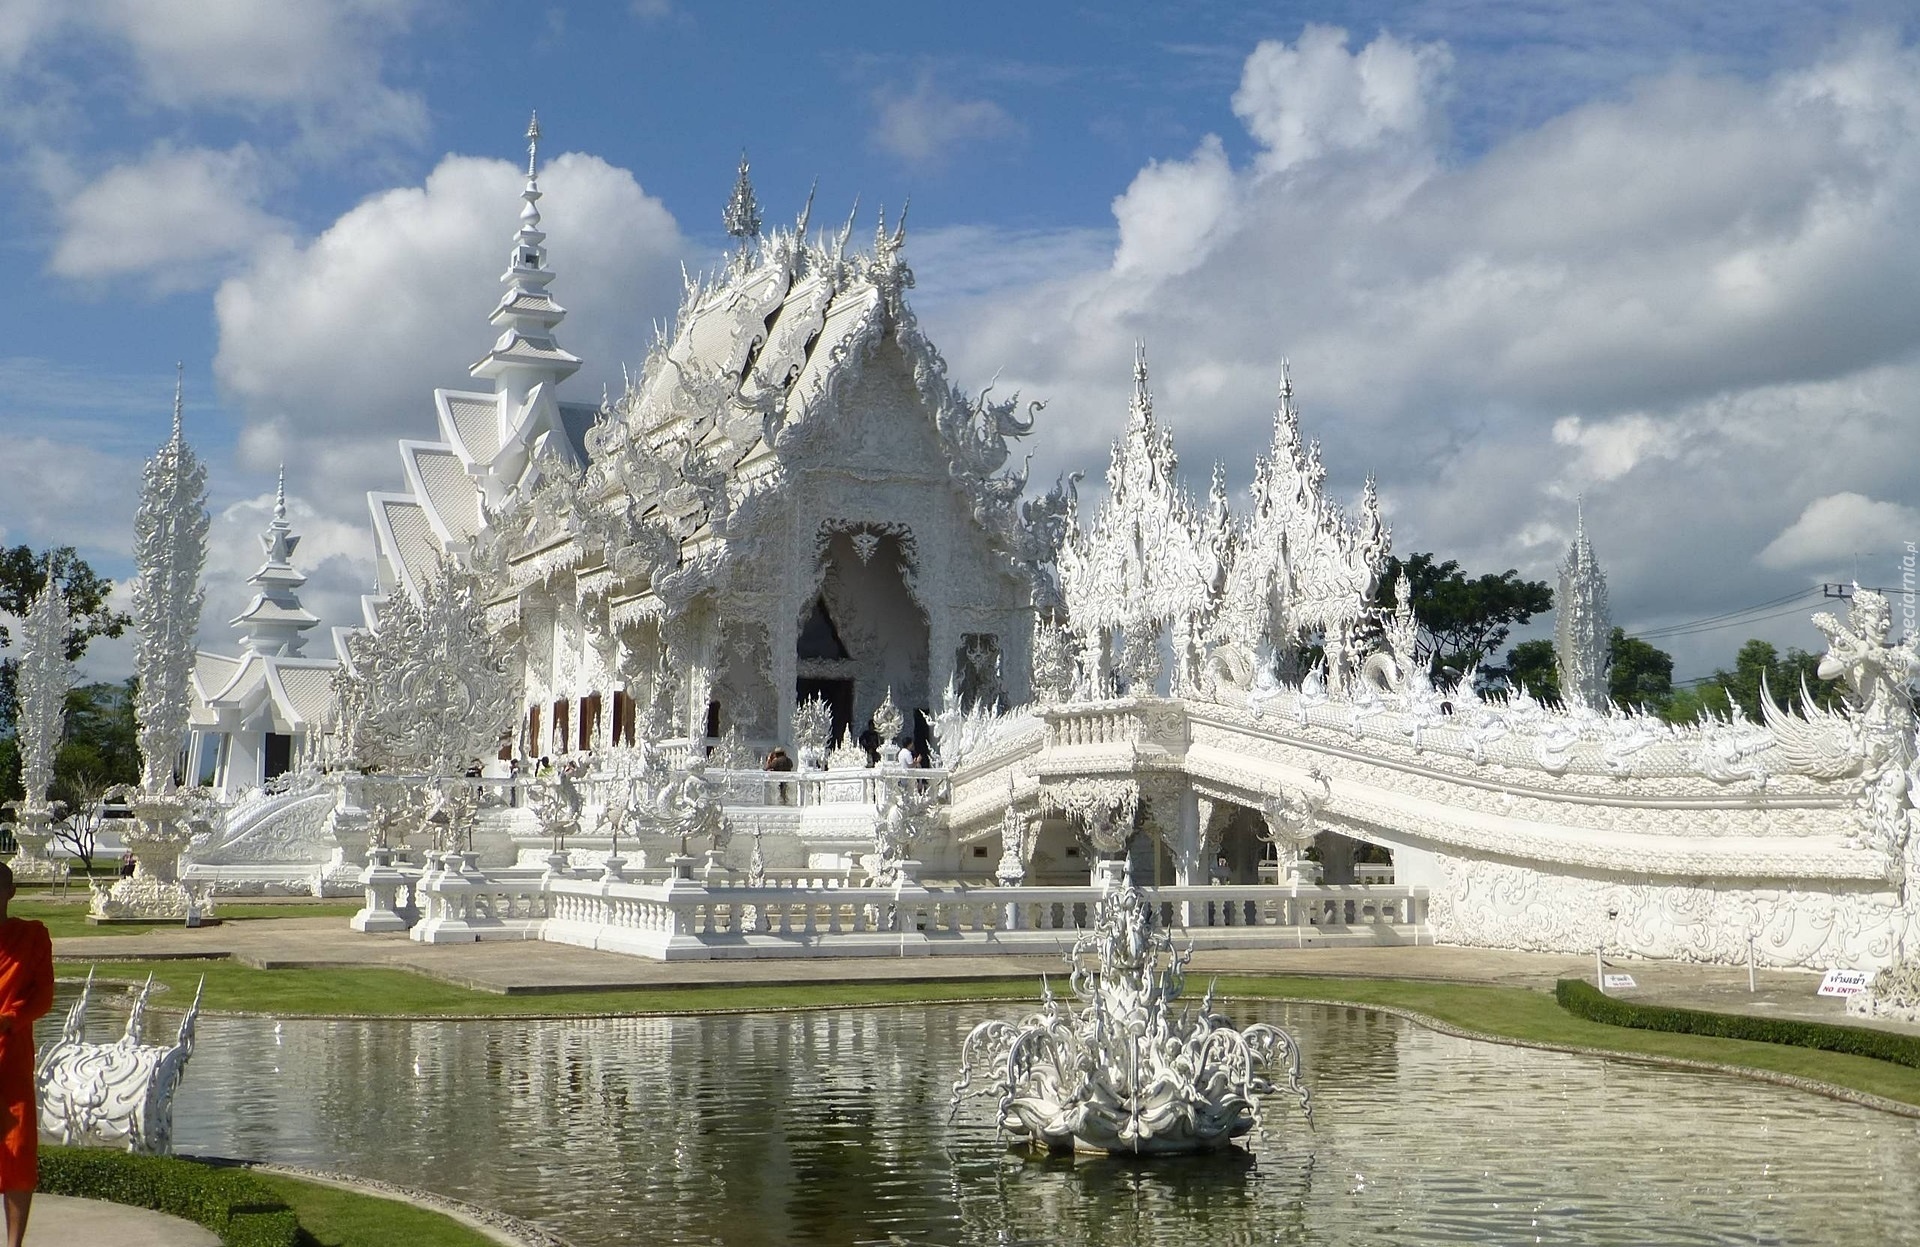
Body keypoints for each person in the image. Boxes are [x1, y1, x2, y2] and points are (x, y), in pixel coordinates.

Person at [0, 863, 52, 1247]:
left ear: (10, 892)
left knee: (16, 1154)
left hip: (11, 1059)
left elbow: (43, 996)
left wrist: (11, 1018)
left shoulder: (31, 936)